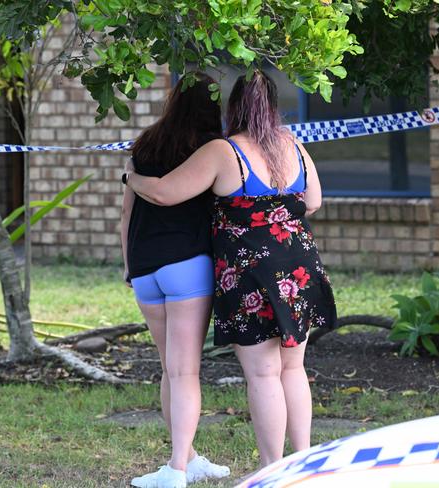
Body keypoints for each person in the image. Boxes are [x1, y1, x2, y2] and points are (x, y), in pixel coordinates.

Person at [124, 70, 337, 469]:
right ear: (273, 108)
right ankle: (303, 464)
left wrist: (130, 177)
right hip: (299, 267)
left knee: (263, 375)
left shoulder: (225, 151)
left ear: (233, 106)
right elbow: (313, 201)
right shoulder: (293, 145)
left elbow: (166, 193)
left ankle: (273, 469)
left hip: (250, 272)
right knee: (293, 367)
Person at [121, 73, 231, 488]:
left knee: (171, 369)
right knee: (184, 372)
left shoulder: (145, 143)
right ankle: (177, 470)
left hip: (145, 265)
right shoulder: (212, 147)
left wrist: (127, 264)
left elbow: (127, 214)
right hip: (188, 265)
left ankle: (188, 457)